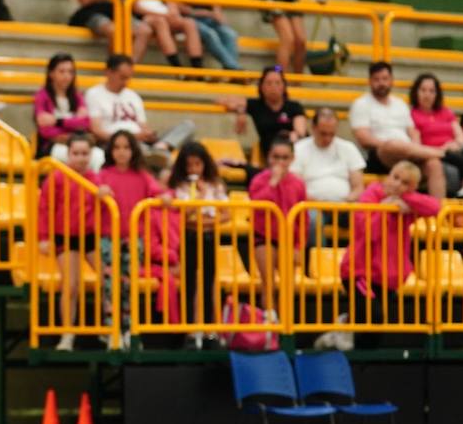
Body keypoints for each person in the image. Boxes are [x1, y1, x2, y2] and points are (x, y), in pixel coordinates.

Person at [96, 129, 167, 346]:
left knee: (129, 284)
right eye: (117, 147)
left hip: (134, 238)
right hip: (109, 238)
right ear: (111, 151)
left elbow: (158, 192)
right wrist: (99, 191)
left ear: (133, 150)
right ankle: (111, 330)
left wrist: (166, 197)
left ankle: (128, 329)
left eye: (126, 147)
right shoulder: (104, 174)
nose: (121, 152)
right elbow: (94, 191)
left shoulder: (142, 175)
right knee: (110, 284)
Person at [36, 132, 101, 351]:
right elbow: (44, 208)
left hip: (90, 236)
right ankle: (67, 334)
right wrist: (44, 237)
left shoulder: (96, 179)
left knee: (110, 280)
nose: (81, 158)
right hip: (65, 236)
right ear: (69, 154)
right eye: (76, 153)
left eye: (85, 153)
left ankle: (114, 329)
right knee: (70, 285)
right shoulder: (58, 177)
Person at [339, 161, 439, 297]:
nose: (397, 184)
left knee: (365, 316)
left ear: (413, 187)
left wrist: (403, 198)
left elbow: (435, 207)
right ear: (388, 176)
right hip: (358, 272)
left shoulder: (406, 202)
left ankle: (347, 319)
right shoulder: (371, 194)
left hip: (388, 277)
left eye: (405, 183)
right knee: (375, 316)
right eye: (395, 177)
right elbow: (371, 233)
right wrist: (385, 208)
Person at [349, 61, 445, 194]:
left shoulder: (400, 104)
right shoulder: (361, 104)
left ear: (391, 80)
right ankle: (444, 153)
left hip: (408, 154)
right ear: (370, 81)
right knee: (393, 144)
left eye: (385, 79)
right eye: (377, 79)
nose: (381, 83)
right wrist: (394, 145)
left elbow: (413, 132)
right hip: (380, 155)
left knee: (434, 164)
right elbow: (364, 139)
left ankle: (436, 211)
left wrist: (413, 148)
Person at [166, 141, 227, 348]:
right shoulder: (180, 187)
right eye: (189, 165)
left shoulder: (215, 185)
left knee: (209, 282)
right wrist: (198, 197)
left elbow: (226, 213)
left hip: (209, 237)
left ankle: (210, 330)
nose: (194, 170)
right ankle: (190, 330)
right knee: (189, 283)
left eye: (197, 165)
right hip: (189, 237)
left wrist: (210, 221)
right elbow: (183, 216)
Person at [85, 54, 193, 161]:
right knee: (136, 149)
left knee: (188, 126)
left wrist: (148, 134)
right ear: (108, 72)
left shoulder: (133, 95)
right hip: (115, 144)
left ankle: (160, 147)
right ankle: (155, 154)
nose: (126, 82)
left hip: (140, 141)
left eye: (128, 78)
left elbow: (143, 126)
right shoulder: (94, 94)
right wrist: (130, 138)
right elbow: (96, 130)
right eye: (122, 77)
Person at [249, 136, 306, 319]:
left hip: (288, 239)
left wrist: (299, 246)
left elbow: (302, 217)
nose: (280, 162)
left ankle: (285, 328)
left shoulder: (298, 183)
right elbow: (257, 204)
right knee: (268, 283)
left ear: (292, 159)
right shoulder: (259, 180)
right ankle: (269, 325)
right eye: (276, 157)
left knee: (287, 286)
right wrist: (273, 183)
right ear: (268, 157)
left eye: (285, 157)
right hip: (263, 236)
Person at [291, 108, 365, 247]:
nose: (327, 139)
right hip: (312, 205)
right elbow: (297, 186)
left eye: (332, 134)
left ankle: (358, 262)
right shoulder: (299, 149)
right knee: (312, 221)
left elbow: (358, 186)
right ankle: (317, 265)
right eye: (323, 134)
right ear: (313, 128)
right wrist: (319, 202)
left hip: (345, 206)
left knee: (366, 219)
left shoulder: (348, 148)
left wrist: (348, 200)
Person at [411, 73, 463, 199]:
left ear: (437, 94)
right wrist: (442, 149)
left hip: (454, 150)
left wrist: (454, 144)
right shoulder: (412, 115)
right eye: (423, 90)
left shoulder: (445, 111)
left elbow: (461, 137)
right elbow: (417, 146)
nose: (427, 94)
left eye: (431, 91)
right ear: (416, 92)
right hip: (435, 153)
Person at [219, 65, 308, 160]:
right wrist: (241, 110)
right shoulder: (256, 105)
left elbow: (300, 132)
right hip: (271, 156)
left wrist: (293, 136)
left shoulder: (294, 107)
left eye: (277, 83)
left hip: (294, 152)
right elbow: (222, 100)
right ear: (261, 86)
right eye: (269, 83)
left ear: (284, 86)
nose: (273, 87)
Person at [33, 52, 100, 168]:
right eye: (62, 71)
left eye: (70, 72)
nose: (67, 76)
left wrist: (57, 121)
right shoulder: (42, 96)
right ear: (51, 73)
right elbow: (45, 129)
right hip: (52, 146)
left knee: (99, 156)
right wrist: (73, 123)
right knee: (76, 158)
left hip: (77, 144)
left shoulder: (77, 96)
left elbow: (85, 123)